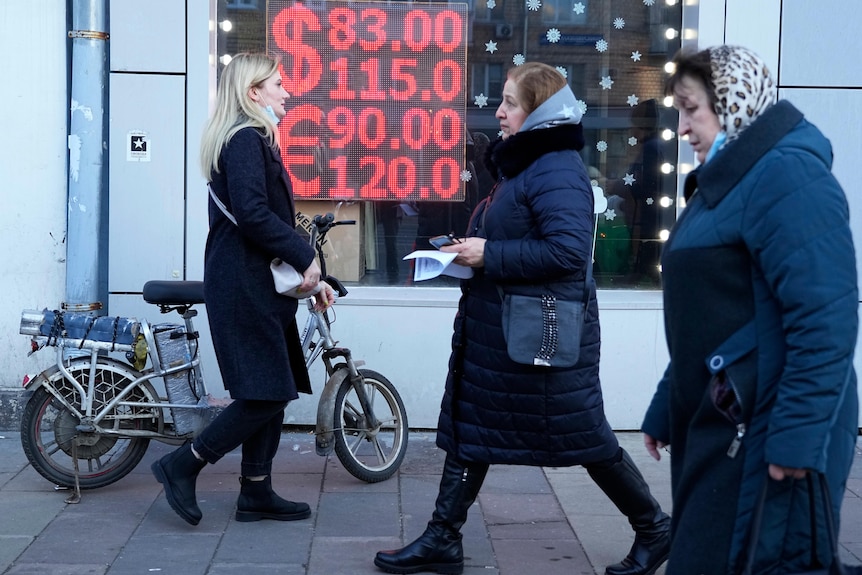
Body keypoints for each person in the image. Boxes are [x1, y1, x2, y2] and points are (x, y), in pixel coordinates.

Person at [374, 62, 670, 575]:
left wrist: (489, 255)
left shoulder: (555, 168)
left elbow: (568, 253)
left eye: (510, 102)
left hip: (542, 332)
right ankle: (443, 537)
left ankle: (654, 527)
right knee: (473, 431)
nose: (499, 111)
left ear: (538, 112)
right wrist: (468, 254)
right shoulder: (527, 165)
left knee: (586, 438)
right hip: (502, 329)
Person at [642, 45, 858, 574]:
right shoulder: (726, 184)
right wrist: (666, 403)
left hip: (766, 428)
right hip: (723, 421)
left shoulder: (787, 176)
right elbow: (713, 316)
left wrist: (796, 438)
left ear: (734, 102)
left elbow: (825, 320)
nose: (683, 128)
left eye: (692, 109)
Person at [151, 53, 335, 526]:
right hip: (243, 284)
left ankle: (256, 491)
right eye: (278, 83)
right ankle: (183, 463)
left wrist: (309, 275)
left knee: (271, 387)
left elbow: (262, 217)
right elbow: (254, 215)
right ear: (254, 92)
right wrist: (304, 257)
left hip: (255, 282)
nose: (287, 91)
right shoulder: (245, 140)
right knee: (267, 392)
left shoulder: (248, 139)